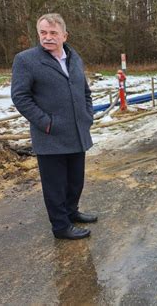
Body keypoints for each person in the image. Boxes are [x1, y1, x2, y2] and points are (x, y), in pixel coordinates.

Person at [11, 13, 97, 240]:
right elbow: (20, 98)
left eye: (53, 33)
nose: (47, 37)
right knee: (55, 185)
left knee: (75, 181)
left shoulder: (74, 57)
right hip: (50, 136)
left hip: (78, 133)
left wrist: (88, 115)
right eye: (43, 33)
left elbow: (85, 91)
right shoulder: (26, 60)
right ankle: (61, 227)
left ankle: (71, 212)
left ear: (64, 35)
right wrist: (46, 123)